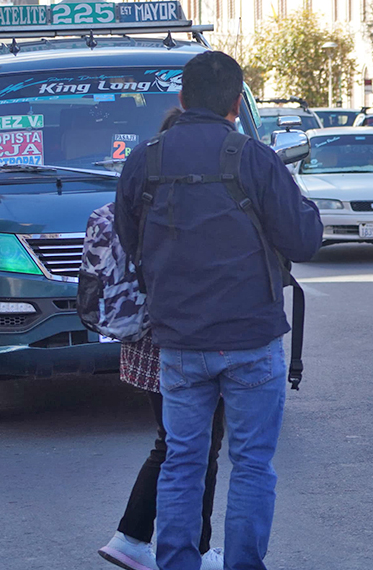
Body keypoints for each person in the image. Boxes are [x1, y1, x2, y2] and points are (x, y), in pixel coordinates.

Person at [114, 51, 323, 570]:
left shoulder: (146, 159)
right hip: (252, 339)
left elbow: (126, 238)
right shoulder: (253, 157)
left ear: (181, 99)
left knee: (183, 459)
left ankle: (177, 563)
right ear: (236, 104)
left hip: (180, 342)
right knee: (251, 464)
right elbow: (305, 238)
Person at [99, 108, 226, 570]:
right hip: (173, 341)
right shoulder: (173, 202)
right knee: (197, 449)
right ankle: (189, 548)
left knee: (175, 444)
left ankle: (132, 537)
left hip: (144, 342)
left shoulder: (141, 192)